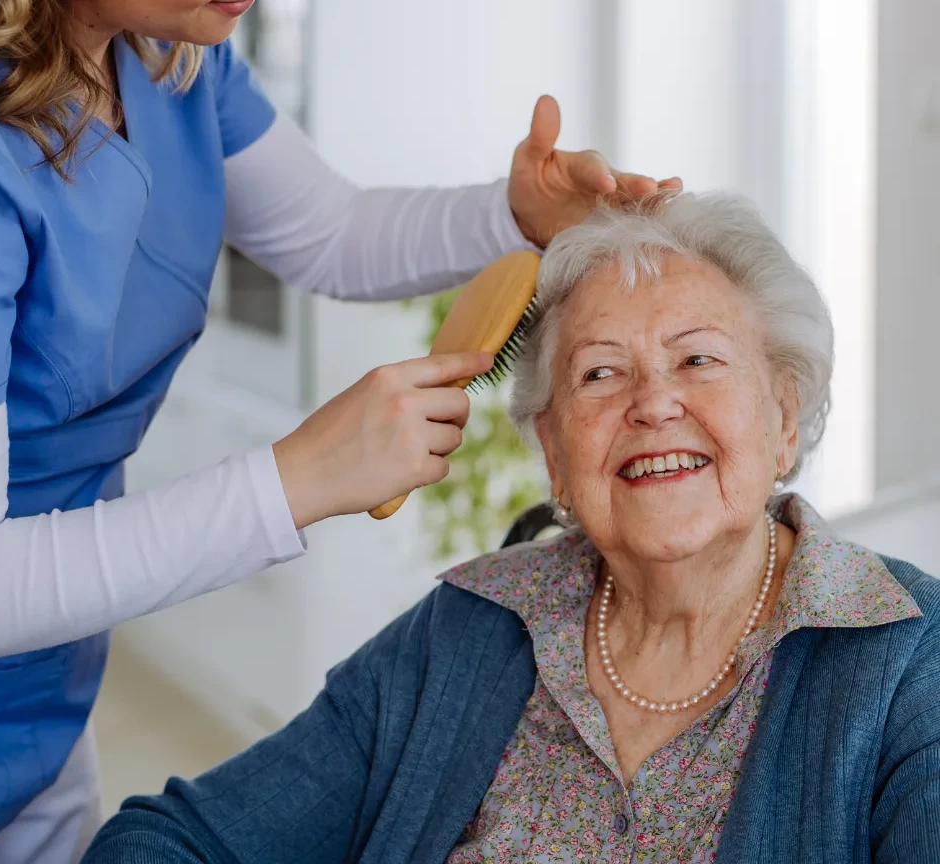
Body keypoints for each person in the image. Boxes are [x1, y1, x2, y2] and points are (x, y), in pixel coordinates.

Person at [0, 0, 683, 861]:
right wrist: (298, 479)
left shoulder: (162, 47)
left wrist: (514, 216)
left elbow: (329, 231)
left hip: (41, 693)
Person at [82, 191, 940, 864]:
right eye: (601, 373)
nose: (653, 403)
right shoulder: (467, 630)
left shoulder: (908, 660)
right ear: (555, 457)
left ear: (785, 417)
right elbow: (171, 841)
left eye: (698, 359)